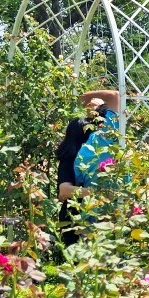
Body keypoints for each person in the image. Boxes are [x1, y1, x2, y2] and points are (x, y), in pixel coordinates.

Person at [55, 88, 118, 246]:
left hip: (89, 217)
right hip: (75, 219)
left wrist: (84, 99)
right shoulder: (70, 160)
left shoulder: (92, 156)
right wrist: (99, 194)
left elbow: (115, 97)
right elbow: (64, 191)